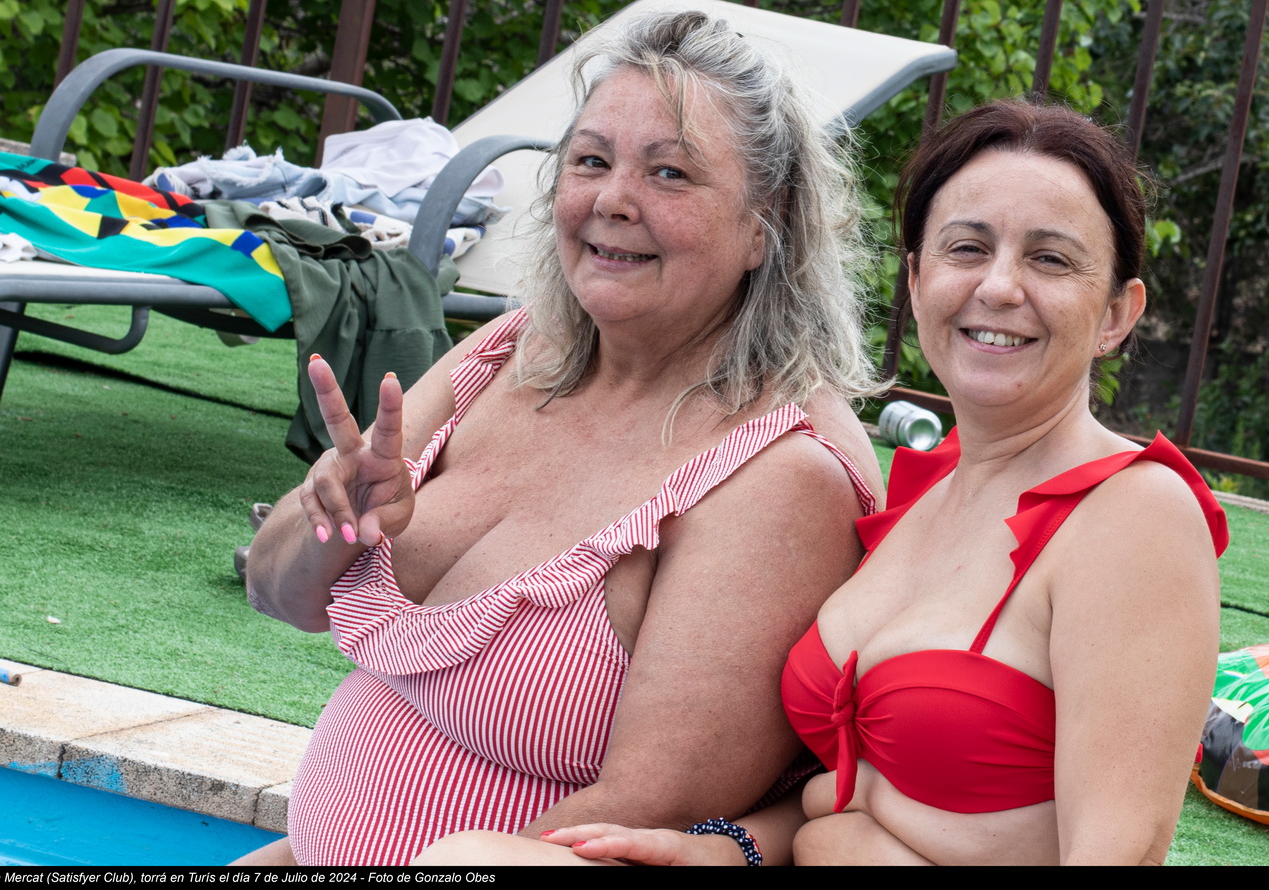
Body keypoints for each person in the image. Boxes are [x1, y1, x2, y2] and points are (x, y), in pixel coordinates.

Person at [498, 99, 1229, 866]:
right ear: (916, 279)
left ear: (1117, 314)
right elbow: (860, 791)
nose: (1000, 287)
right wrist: (726, 850)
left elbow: (1121, 850)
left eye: (1050, 259)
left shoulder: (1135, 514)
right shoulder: (923, 492)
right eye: (967, 248)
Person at [237, 10, 884, 866]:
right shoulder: (512, 353)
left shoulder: (781, 475)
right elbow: (276, 594)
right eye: (590, 161)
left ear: (766, 224)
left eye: (670, 172)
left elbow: (640, 818)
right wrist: (333, 524)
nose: (612, 200)